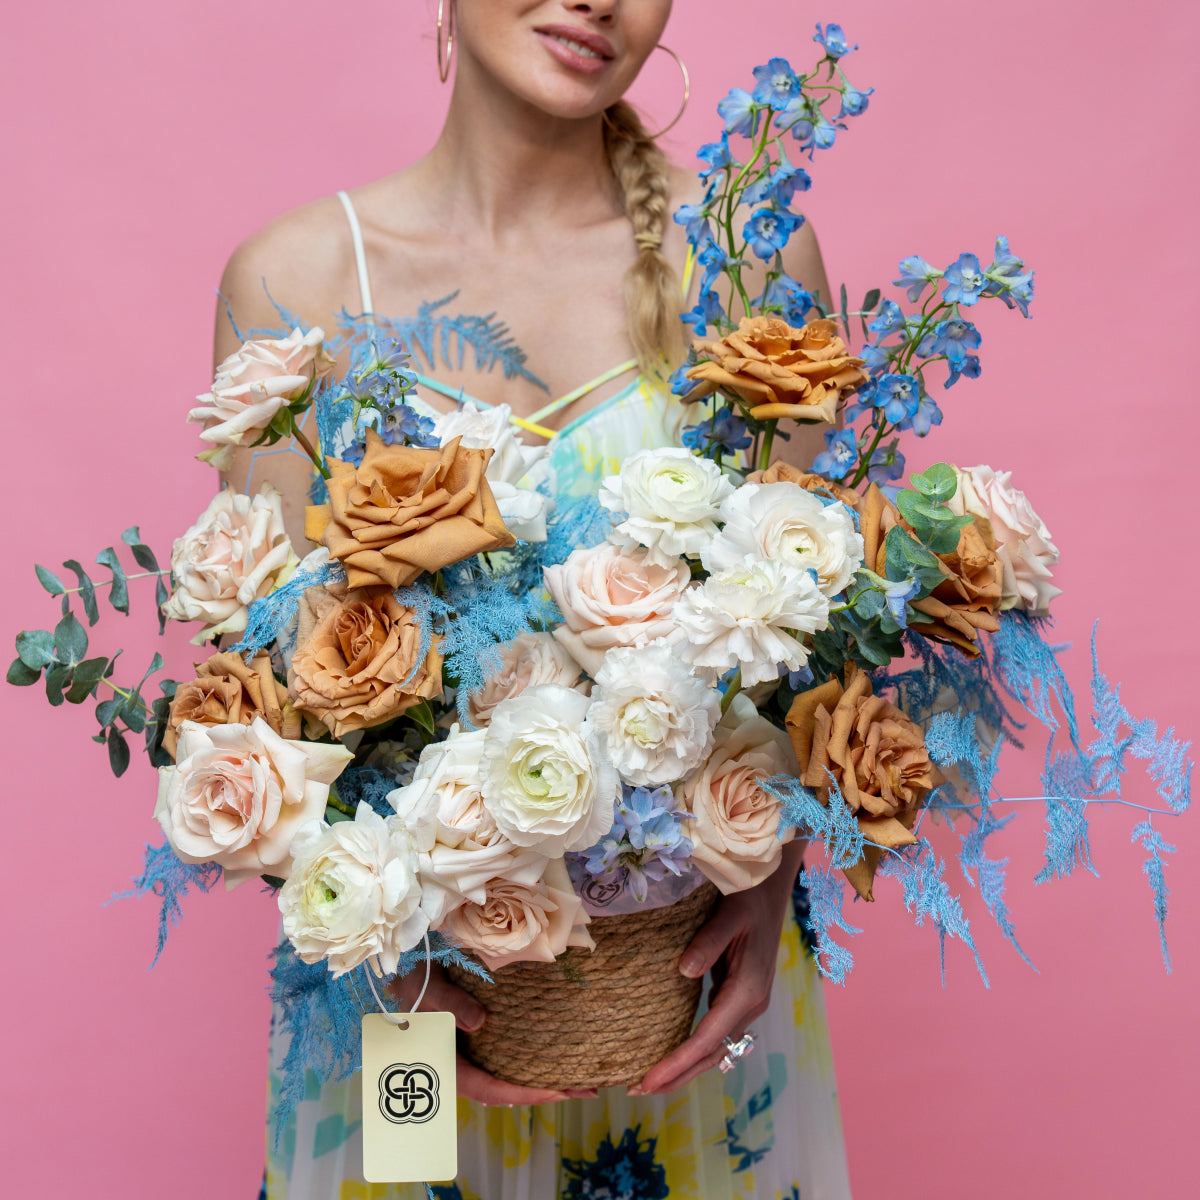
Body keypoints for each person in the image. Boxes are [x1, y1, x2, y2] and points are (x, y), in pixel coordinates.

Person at [215, 3, 853, 1196]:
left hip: (694, 1004)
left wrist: (771, 887)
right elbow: (261, 704)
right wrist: (382, 965)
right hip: (416, 1023)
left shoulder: (756, 260)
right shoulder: (297, 279)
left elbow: (806, 640)